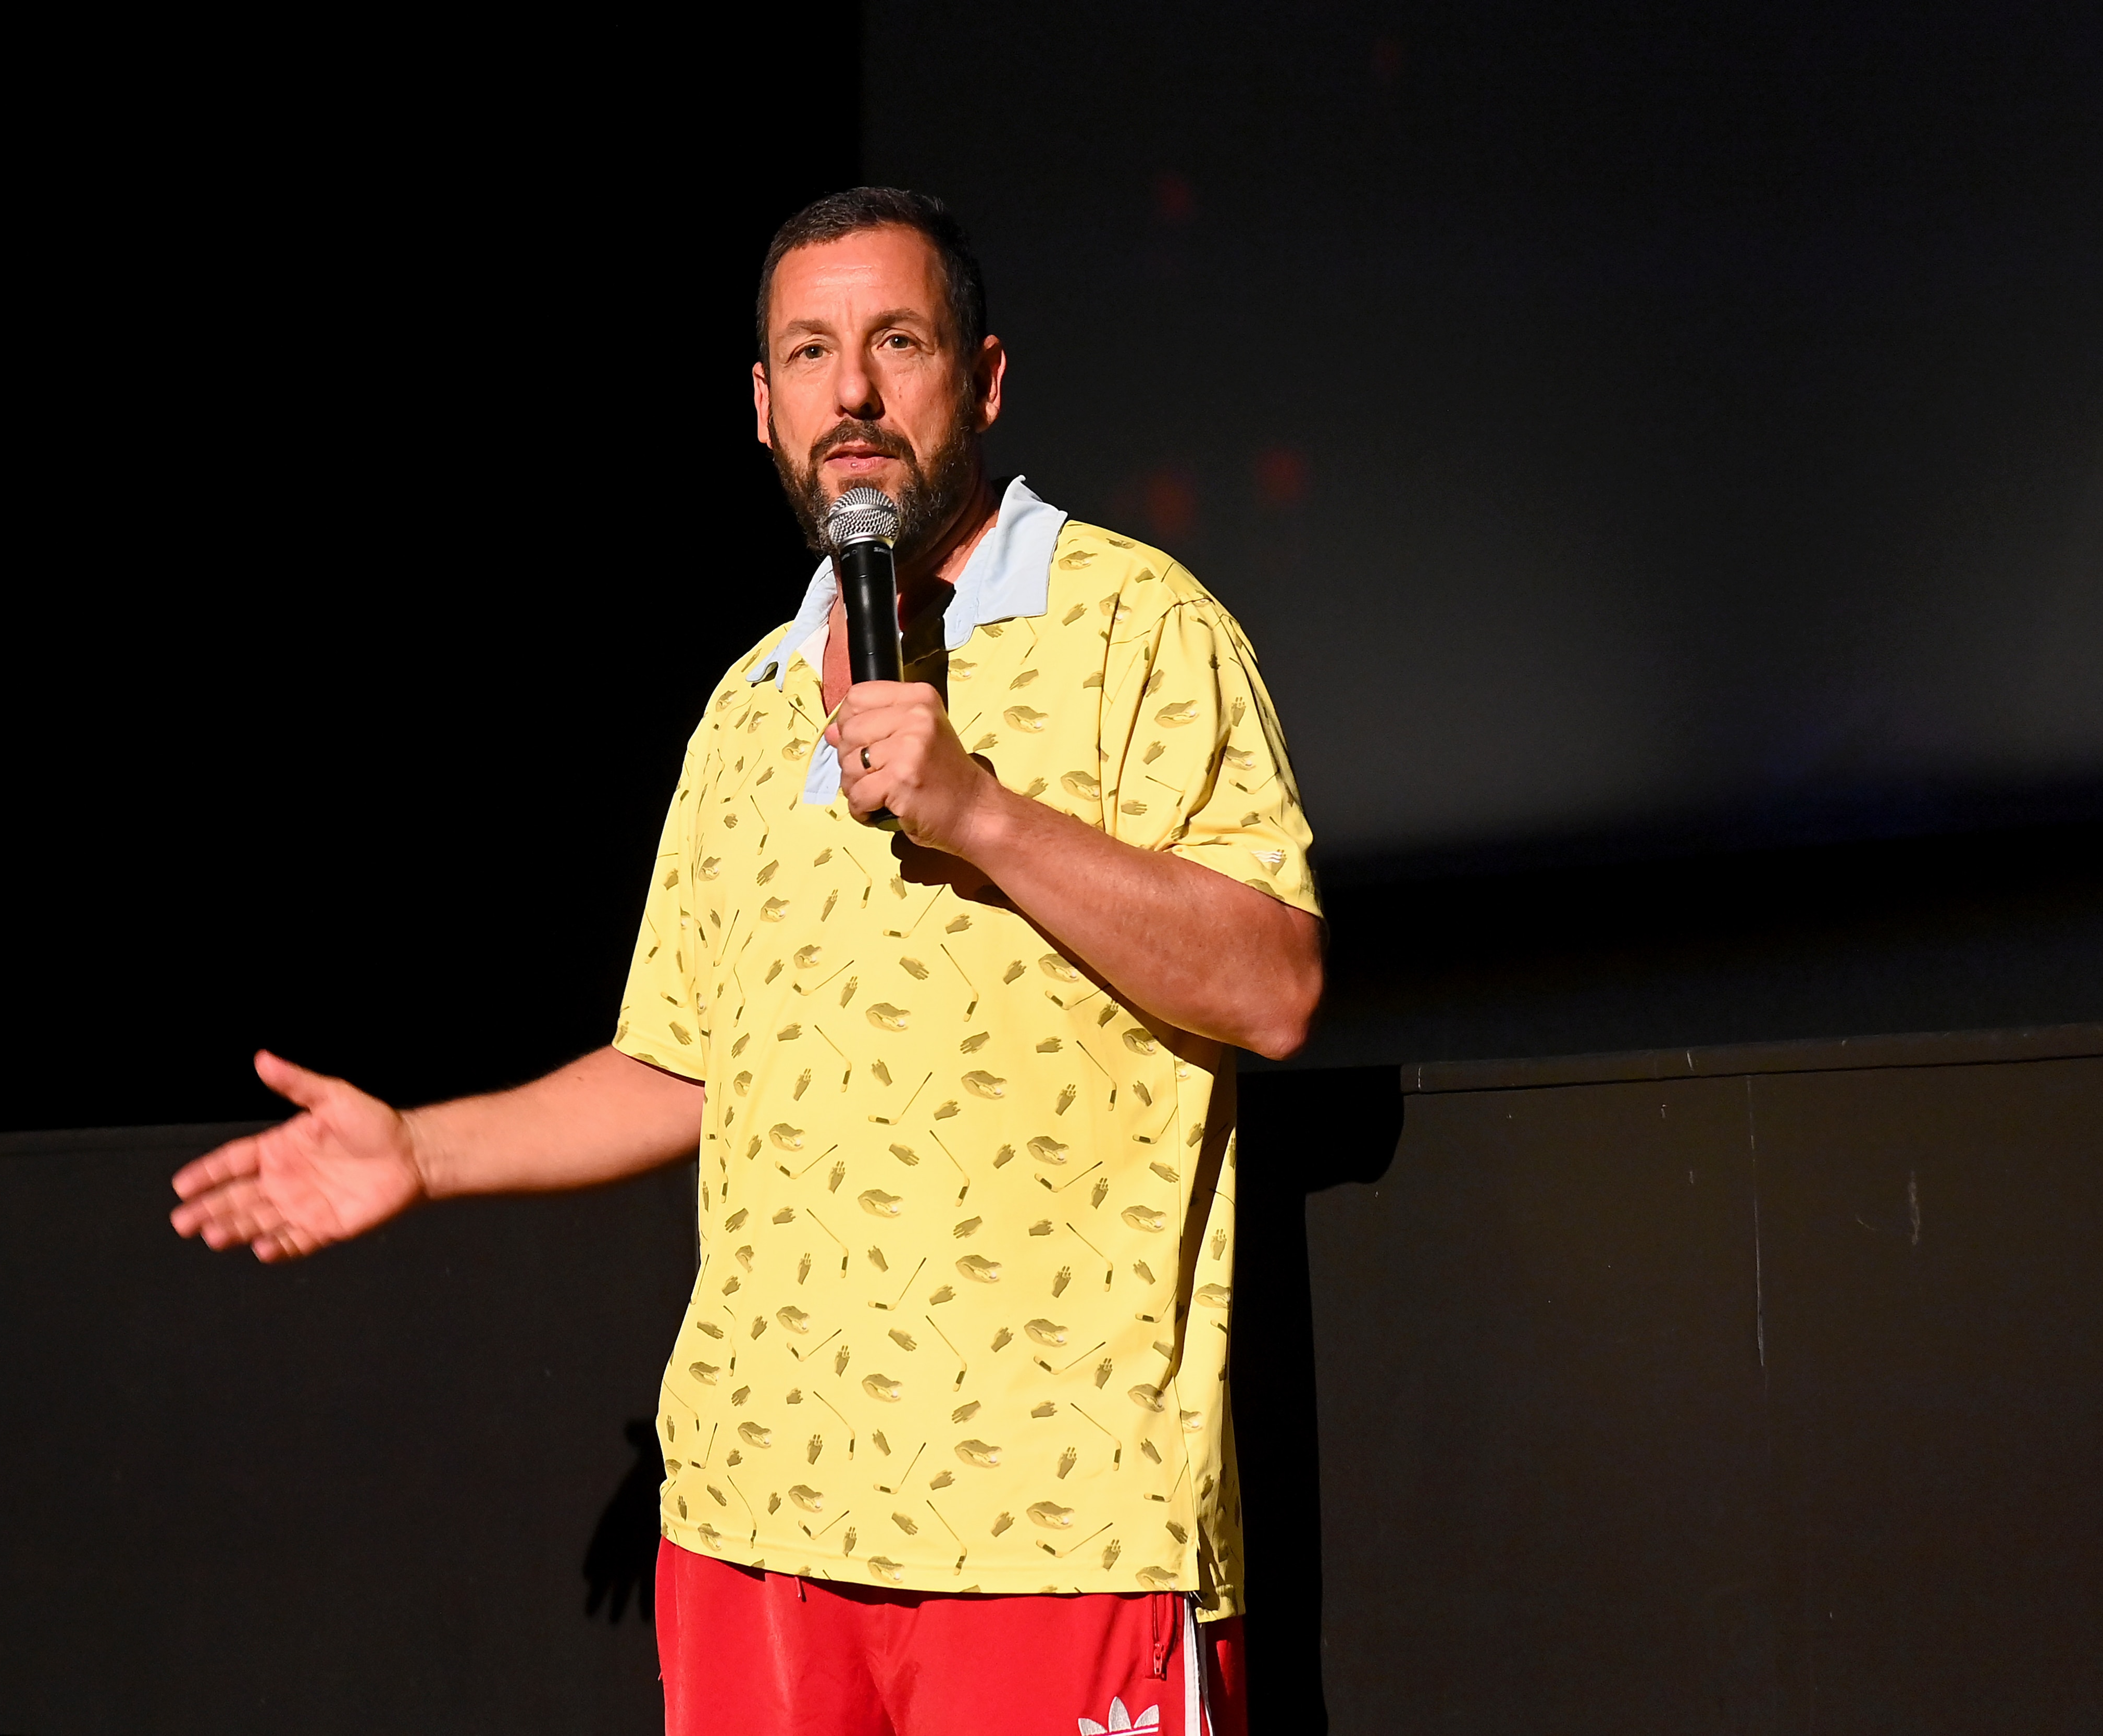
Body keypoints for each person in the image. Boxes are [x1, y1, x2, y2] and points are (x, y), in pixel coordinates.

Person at [170, 187, 1323, 1736]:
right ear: (764, 407)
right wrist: (420, 1154)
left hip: (1061, 1523)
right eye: (808, 353)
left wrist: (977, 810)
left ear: (979, 379)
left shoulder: (1140, 628)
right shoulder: (749, 703)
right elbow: (680, 1060)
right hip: (753, 1534)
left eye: (895, 343)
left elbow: (1276, 985)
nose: (851, 392)